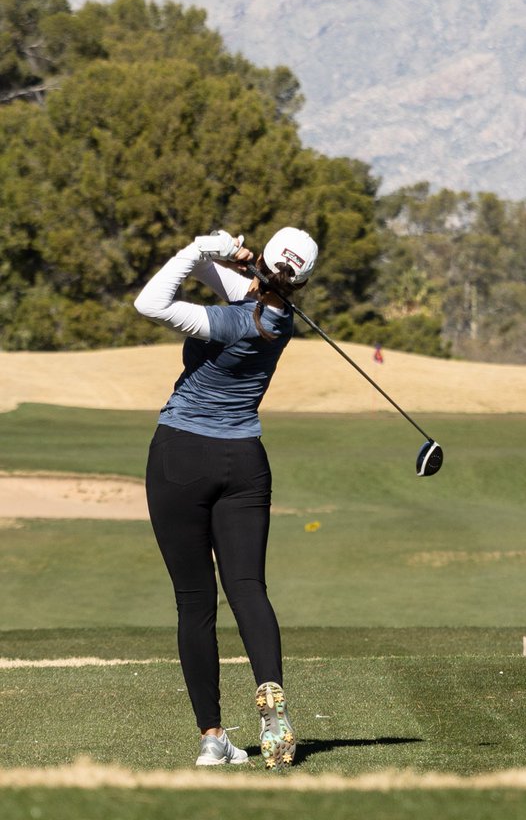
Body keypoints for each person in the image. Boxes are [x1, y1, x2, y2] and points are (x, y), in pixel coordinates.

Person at [134, 225, 318, 769]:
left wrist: (198, 249)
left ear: (265, 261)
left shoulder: (232, 319)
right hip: (245, 464)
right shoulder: (278, 319)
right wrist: (221, 254)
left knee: (195, 601)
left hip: (181, 458)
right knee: (247, 588)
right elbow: (232, 282)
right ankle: (270, 690)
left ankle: (213, 738)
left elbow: (151, 303)